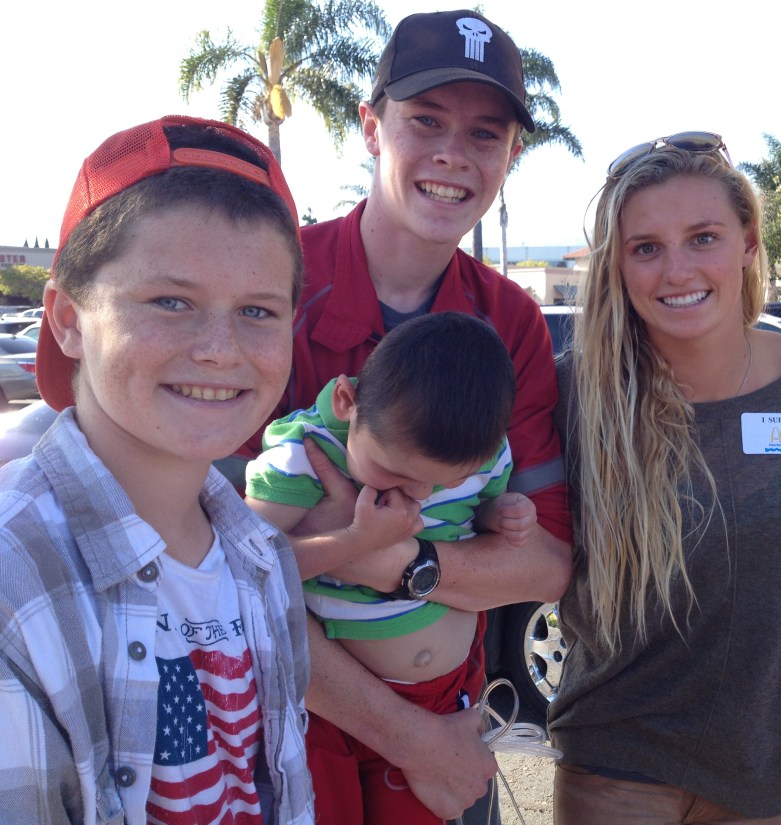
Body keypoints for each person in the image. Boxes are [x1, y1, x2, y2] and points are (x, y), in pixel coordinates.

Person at [234, 9, 573, 821]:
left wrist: (401, 560)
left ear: (511, 155)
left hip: (447, 722)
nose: (454, 154)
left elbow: (550, 561)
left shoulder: (511, 320)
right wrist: (408, 737)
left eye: (486, 134)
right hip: (289, 736)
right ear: (370, 125)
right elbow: (219, 570)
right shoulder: (270, 283)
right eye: (426, 120)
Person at [0, 116, 312, 823]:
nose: (218, 347)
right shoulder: (16, 586)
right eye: (171, 301)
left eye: (259, 311)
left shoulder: (262, 559)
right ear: (68, 320)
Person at [548, 133, 781, 825]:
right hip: (613, 766)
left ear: (748, 243)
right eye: (646, 247)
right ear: (620, 266)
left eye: (703, 237)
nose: (675, 269)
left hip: (762, 775)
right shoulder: (577, 393)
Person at [244, 311, 536, 824]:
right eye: (395, 472)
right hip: (326, 711)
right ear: (345, 402)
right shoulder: (305, 456)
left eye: (441, 484)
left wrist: (499, 513)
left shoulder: (477, 451)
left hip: (442, 698)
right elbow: (244, 569)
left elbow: (480, 512)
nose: (418, 497)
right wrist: (355, 542)